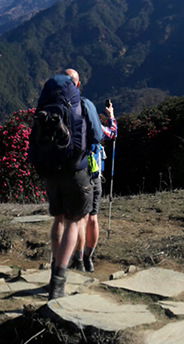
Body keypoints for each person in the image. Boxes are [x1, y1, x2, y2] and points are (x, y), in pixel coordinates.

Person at [33, 69, 103, 300]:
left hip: (49, 171)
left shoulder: (46, 105)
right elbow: (97, 136)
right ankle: (58, 283)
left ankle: (54, 267)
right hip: (75, 170)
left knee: (58, 220)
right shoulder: (82, 104)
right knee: (74, 222)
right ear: (77, 84)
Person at [70, 100, 117, 273]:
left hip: (80, 177)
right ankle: (89, 259)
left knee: (81, 219)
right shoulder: (97, 130)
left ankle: (79, 260)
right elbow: (113, 133)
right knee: (93, 218)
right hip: (96, 175)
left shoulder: (73, 129)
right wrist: (110, 115)